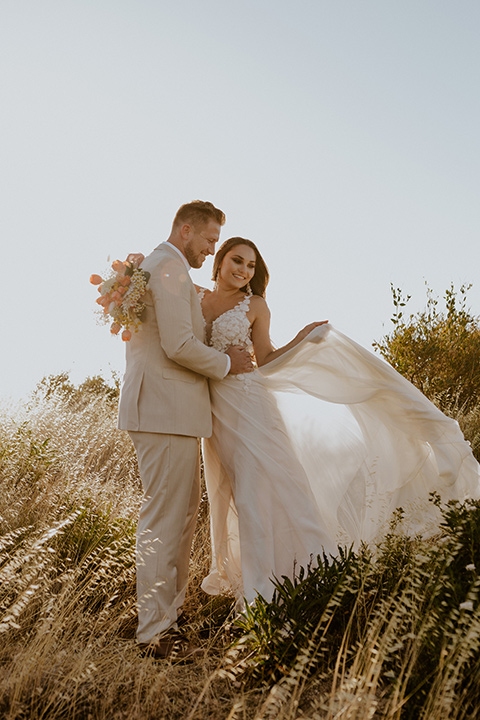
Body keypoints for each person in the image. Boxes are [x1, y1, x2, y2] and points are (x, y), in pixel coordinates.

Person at [129, 237, 480, 611]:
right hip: (212, 411)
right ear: (219, 262)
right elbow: (165, 299)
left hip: (249, 405)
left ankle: (296, 580)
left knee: (266, 486)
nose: (243, 270)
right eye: (237, 260)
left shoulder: (256, 306)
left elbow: (264, 358)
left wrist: (300, 339)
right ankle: (257, 577)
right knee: (228, 490)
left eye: (250, 266)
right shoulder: (195, 297)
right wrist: (130, 273)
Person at [117, 202, 253, 659]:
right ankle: (154, 631)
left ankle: (167, 616)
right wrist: (227, 364)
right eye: (210, 241)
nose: (211, 249)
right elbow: (178, 345)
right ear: (186, 229)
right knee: (164, 519)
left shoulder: (162, 266)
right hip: (162, 410)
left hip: (168, 411)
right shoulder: (169, 268)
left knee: (179, 518)